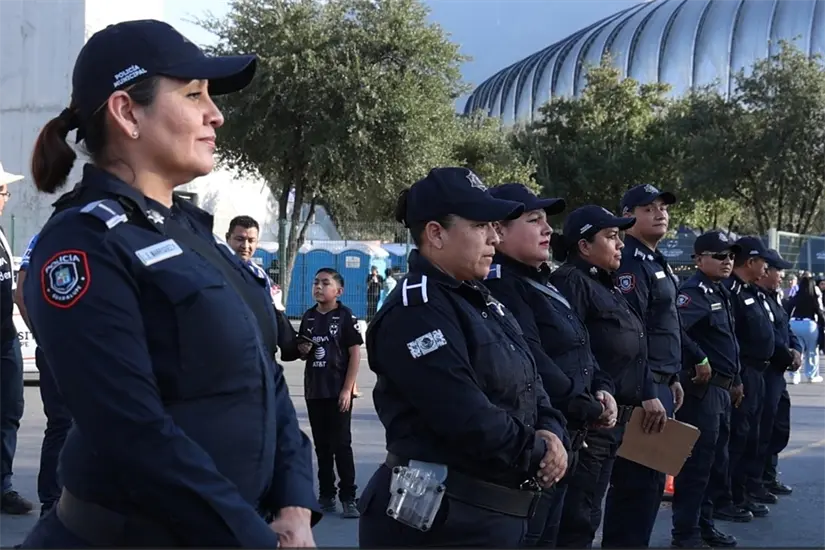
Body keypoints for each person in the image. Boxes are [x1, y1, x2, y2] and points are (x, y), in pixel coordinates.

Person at [20, 19, 319, 547]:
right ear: (127, 112)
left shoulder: (192, 231)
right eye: (193, 94)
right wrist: (253, 537)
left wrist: (295, 502)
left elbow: (263, 371)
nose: (216, 115)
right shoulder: (82, 243)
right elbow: (130, 430)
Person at [358, 167, 569, 547]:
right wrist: (541, 452)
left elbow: (531, 382)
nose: (493, 236)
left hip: (498, 518)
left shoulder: (481, 299)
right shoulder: (416, 310)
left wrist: (553, 430)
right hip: (444, 524)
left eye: (494, 224)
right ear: (436, 233)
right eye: (480, 225)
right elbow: (465, 415)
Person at [483, 184, 617, 547]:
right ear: (498, 230)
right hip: (542, 441)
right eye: (534, 219)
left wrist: (603, 386)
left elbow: (581, 345)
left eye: (547, 221)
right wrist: (584, 403)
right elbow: (533, 358)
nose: (547, 229)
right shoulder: (503, 286)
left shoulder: (543, 281)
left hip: (572, 433)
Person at [549, 205, 663, 548]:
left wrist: (648, 389)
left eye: (620, 237)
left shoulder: (605, 283)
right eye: (611, 237)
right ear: (584, 246)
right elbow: (571, 350)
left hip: (622, 417)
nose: (620, 245)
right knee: (577, 518)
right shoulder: (571, 282)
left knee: (614, 506)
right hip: (593, 422)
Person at [606, 184, 689, 547]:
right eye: (648, 208)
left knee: (651, 483)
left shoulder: (655, 259)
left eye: (663, 208)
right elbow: (632, 333)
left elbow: (664, 325)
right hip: (643, 389)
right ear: (627, 216)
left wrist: (671, 376)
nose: (660, 213)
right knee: (636, 484)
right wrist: (647, 388)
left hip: (659, 383)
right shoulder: (630, 263)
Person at [671, 231, 742, 547]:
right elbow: (675, 331)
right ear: (699, 259)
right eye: (720, 255)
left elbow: (727, 343)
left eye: (731, 256)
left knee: (716, 464)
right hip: (703, 393)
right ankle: (686, 533)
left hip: (722, 392)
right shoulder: (693, 292)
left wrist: (736, 380)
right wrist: (697, 357)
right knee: (698, 466)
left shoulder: (720, 290)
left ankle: (705, 524)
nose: (728, 261)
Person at [713, 237, 776, 522]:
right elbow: (731, 339)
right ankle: (727, 498)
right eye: (763, 261)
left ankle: (742, 493)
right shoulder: (731, 291)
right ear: (751, 262)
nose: (767, 267)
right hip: (741, 373)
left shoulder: (748, 290)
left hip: (757, 373)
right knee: (736, 438)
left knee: (750, 435)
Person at [296, 268, 363, 519]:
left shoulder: (345, 316)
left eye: (325, 283)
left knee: (341, 445)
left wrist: (348, 389)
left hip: (337, 392)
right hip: (315, 391)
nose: (319, 287)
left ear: (339, 291)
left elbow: (354, 353)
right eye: (316, 282)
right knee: (322, 447)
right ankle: (326, 495)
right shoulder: (309, 317)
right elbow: (304, 352)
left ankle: (349, 496)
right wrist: (303, 350)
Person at [14, 232, 71, 517]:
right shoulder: (47, 237)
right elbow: (21, 294)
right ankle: (51, 500)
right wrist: (44, 337)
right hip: (58, 349)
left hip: (97, 350)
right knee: (62, 423)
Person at [752, 249, 801, 507]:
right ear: (764, 271)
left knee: (778, 425)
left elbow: (787, 330)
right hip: (766, 370)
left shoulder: (774, 299)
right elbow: (766, 337)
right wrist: (787, 354)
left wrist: (797, 350)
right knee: (763, 427)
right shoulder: (754, 297)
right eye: (777, 270)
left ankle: (769, 476)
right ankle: (756, 481)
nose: (781, 276)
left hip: (778, 373)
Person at [0, 163, 33, 515]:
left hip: (4, 340)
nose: (5, 199)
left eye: (4, 192)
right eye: (2, 192)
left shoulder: (1, 235)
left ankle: (2, 486)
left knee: (8, 413)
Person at [225, 215, 301, 361]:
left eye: (251, 241)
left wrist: (293, 344)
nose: (245, 246)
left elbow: (275, 312)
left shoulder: (260, 274)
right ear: (228, 238)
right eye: (240, 239)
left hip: (262, 356)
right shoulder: (215, 270)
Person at [787, 274, 824, 383]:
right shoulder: (813, 297)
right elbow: (819, 312)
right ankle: (811, 375)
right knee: (812, 351)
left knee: (797, 350)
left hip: (794, 323)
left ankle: (794, 375)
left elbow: (788, 307)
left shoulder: (797, 296)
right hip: (810, 325)